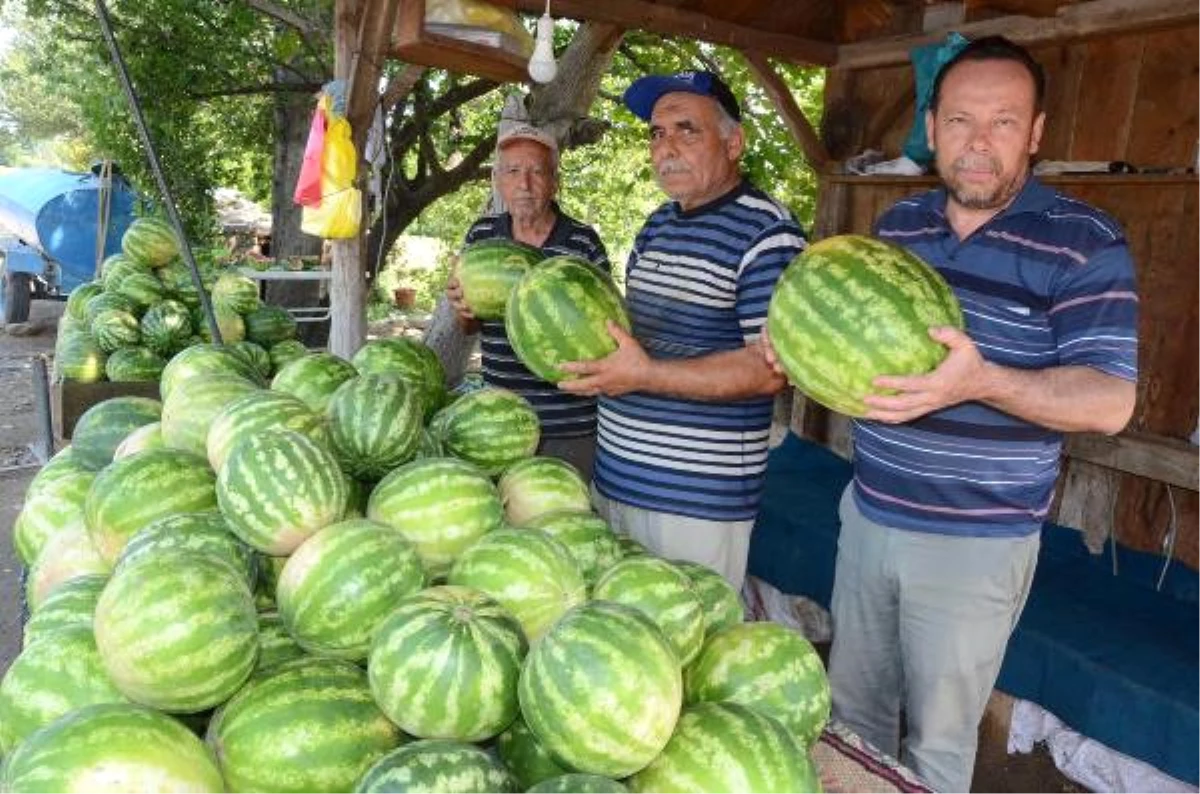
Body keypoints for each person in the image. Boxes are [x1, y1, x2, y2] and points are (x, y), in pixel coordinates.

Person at [764, 36, 1138, 794]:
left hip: (977, 543)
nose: (978, 142)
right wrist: (797, 353)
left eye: (1004, 122)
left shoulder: (1084, 243)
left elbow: (1110, 399)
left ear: (1035, 134)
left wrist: (981, 381)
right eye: (961, 120)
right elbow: (847, 354)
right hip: (869, 517)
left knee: (938, 741)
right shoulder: (900, 229)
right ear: (931, 128)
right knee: (854, 717)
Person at [558, 70, 807, 590]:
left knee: (684, 653)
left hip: (696, 503)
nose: (666, 147)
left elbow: (770, 369)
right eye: (656, 133)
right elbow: (636, 337)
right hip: (617, 481)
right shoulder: (657, 225)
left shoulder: (769, 234)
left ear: (733, 142)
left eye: (686, 129)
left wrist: (647, 375)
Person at [446, 122, 609, 478]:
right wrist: (462, 307)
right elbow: (469, 324)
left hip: (572, 425)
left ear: (555, 181)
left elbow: (607, 334)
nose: (524, 183)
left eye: (537, 171)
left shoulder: (582, 243)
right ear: (498, 181)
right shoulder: (482, 236)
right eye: (513, 171)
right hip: (499, 424)